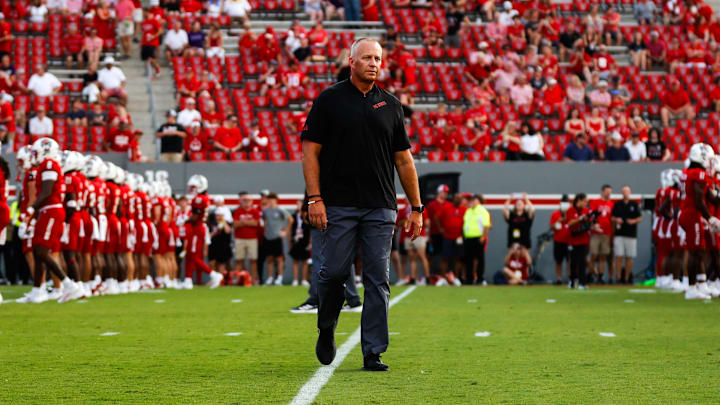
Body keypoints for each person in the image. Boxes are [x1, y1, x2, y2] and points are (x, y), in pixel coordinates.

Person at [301, 38, 422, 371]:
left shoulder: (392, 106)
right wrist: (315, 198)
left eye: (378, 58)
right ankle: (326, 328)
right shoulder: (328, 100)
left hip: (380, 206)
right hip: (337, 204)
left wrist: (416, 207)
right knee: (334, 274)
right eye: (367, 57)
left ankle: (373, 351)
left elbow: (404, 160)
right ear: (350, 61)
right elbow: (310, 152)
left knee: (377, 279)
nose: (374, 63)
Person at [22, 138, 83, 303]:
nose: (34, 155)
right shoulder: (47, 165)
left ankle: (70, 285)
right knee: (37, 250)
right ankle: (37, 290)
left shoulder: (49, 164)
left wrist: (30, 210)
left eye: (36, 152)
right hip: (48, 210)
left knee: (42, 251)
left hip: (51, 210)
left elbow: (46, 192)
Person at [611, 185, 642, 284]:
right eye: (623, 191)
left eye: (627, 191)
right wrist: (617, 219)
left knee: (629, 256)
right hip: (619, 233)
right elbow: (612, 217)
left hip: (631, 234)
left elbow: (640, 218)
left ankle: (627, 277)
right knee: (619, 256)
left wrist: (633, 221)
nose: (625, 193)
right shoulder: (617, 204)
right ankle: (619, 277)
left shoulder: (634, 204)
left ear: (630, 192)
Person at [233, 191, 262, 285]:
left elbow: (255, 223)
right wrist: (249, 221)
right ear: (241, 201)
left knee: (253, 260)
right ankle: (238, 280)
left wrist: (243, 222)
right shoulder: (237, 211)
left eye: (248, 200)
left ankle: (253, 280)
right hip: (239, 238)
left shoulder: (255, 211)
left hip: (252, 238)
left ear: (252, 201)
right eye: (244, 200)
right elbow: (235, 224)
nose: (246, 202)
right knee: (239, 260)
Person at [261, 193, 290, 285]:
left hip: (277, 237)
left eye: (272, 199)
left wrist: (285, 231)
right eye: (269, 199)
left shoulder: (280, 209)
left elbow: (290, 219)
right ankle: (270, 278)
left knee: (279, 259)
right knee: (269, 258)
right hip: (268, 237)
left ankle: (279, 278)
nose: (270, 201)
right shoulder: (265, 211)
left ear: (276, 200)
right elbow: (264, 221)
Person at [463, 194, 491, 285]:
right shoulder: (469, 210)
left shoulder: (482, 211)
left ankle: (480, 278)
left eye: (474, 200)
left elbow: (486, 225)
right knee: (468, 259)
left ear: (479, 201)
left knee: (479, 259)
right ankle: (469, 279)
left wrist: (483, 237)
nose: (472, 201)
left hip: (478, 238)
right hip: (468, 238)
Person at [589, 185, 614, 283]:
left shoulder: (611, 204)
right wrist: (594, 224)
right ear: (602, 192)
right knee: (594, 255)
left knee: (603, 255)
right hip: (596, 233)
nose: (609, 193)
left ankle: (601, 275)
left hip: (606, 233)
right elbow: (592, 215)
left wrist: (612, 233)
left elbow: (612, 219)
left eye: (610, 192)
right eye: (607, 191)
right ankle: (590, 273)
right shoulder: (595, 202)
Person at [566, 193, 591, 289]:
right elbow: (569, 223)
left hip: (583, 239)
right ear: (579, 200)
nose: (586, 204)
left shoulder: (585, 210)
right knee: (573, 262)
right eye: (584, 201)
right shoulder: (570, 210)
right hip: (573, 240)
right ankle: (572, 281)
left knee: (583, 262)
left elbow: (589, 222)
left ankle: (582, 282)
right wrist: (580, 219)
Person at [289, 198, 311, 287]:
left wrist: (310, 242)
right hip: (296, 240)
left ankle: (304, 279)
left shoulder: (307, 216)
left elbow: (311, 231)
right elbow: (290, 230)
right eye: (297, 204)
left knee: (305, 261)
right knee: (295, 260)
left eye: (299, 204)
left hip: (305, 240)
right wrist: (290, 241)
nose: (298, 206)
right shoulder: (293, 216)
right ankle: (295, 280)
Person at [550, 195, 570, 284]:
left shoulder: (571, 213)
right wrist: (559, 220)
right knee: (559, 261)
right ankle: (559, 278)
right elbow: (552, 227)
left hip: (569, 240)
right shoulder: (555, 214)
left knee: (569, 261)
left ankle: (570, 278)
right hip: (558, 240)